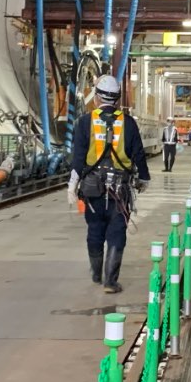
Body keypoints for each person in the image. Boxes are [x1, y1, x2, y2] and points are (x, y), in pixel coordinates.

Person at [67, 75, 150, 293]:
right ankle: (110, 281)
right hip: (119, 190)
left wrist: (72, 186)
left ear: (96, 97)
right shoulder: (128, 123)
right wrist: (143, 178)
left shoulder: (85, 122)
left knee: (94, 229)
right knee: (116, 233)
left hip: (92, 189)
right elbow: (138, 154)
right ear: (117, 98)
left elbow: (78, 157)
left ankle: (96, 272)